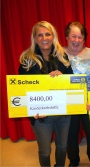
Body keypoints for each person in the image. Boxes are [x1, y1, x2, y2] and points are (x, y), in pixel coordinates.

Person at [18, 21, 73, 167]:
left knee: (62, 146)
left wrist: (63, 77)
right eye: (40, 35)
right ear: (35, 38)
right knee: (45, 150)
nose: (44, 38)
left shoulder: (62, 56)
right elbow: (21, 90)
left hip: (63, 113)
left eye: (48, 34)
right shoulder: (27, 59)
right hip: (41, 116)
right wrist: (31, 111)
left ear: (53, 36)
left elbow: (72, 83)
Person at [64, 21, 90, 167]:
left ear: (84, 39)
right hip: (68, 103)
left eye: (80, 37)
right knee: (71, 134)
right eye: (74, 36)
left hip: (89, 102)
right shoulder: (59, 53)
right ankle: (73, 160)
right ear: (67, 37)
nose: (77, 40)